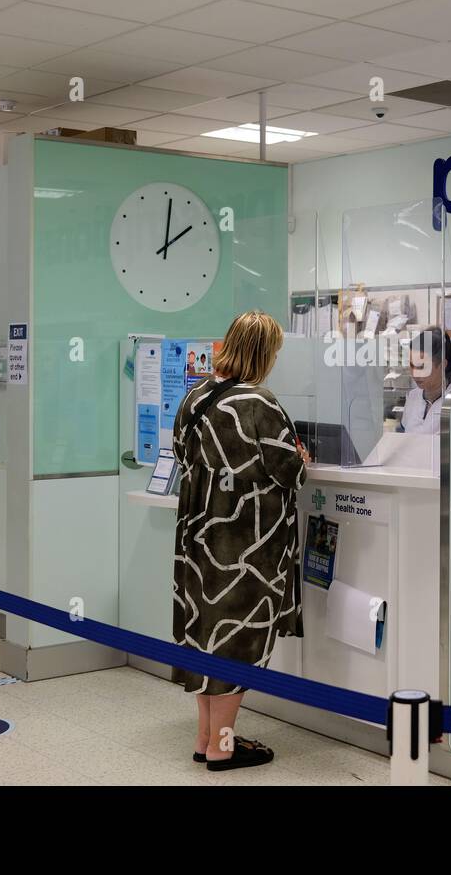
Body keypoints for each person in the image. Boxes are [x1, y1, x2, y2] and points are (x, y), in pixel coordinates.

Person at [171, 311, 310, 771]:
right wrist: (300, 457)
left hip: (197, 540)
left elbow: (179, 454)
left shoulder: (195, 395)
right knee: (238, 641)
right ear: (263, 353)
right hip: (246, 545)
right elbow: (290, 472)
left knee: (207, 635)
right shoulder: (259, 403)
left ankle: (206, 736)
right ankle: (223, 747)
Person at [398, 327, 451, 434]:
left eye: (421, 366)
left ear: (443, 365)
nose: (414, 373)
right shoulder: (413, 396)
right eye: (412, 365)